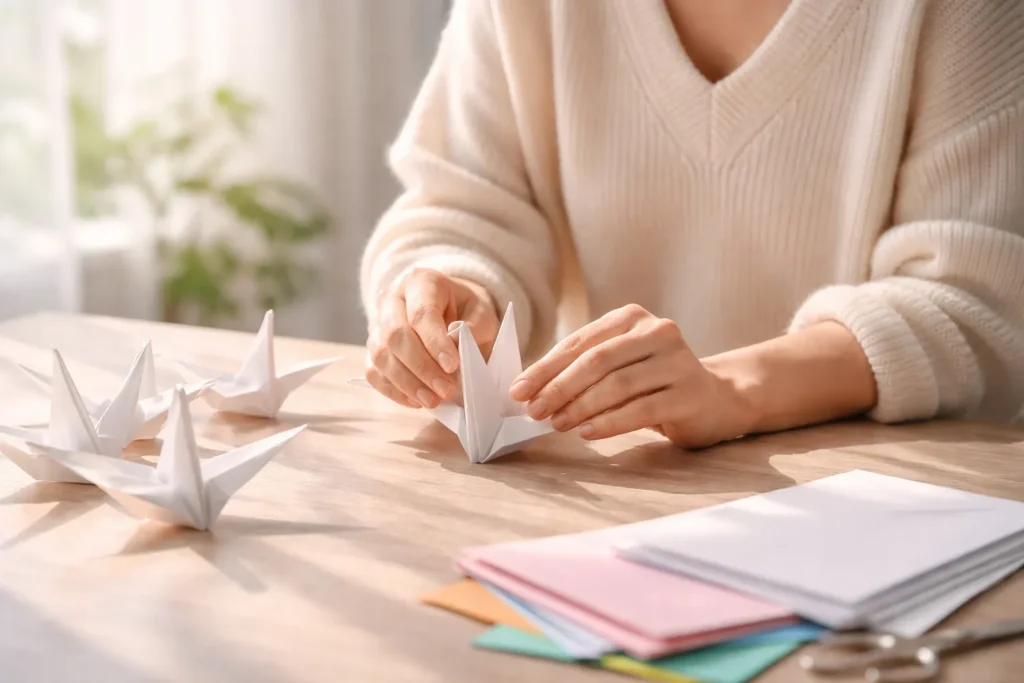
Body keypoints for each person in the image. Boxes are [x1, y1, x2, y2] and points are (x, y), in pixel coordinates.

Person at [359, 0, 1024, 449]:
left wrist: (733, 388)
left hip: (889, 509)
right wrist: (453, 292)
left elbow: (984, 302)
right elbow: (461, 206)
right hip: (611, 495)